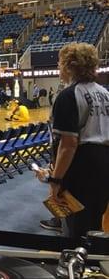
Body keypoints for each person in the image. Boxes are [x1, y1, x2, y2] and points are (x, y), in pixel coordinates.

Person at [35, 43, 109, 239]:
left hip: (81, 166)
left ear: (70, 66)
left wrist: (55, 180)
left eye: (60, 64)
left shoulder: (68, 96)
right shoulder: (105, 94)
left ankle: (74, 264)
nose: (59, 68)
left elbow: (68, 145)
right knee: (94, 223)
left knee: (75, 227)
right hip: (104, 163)